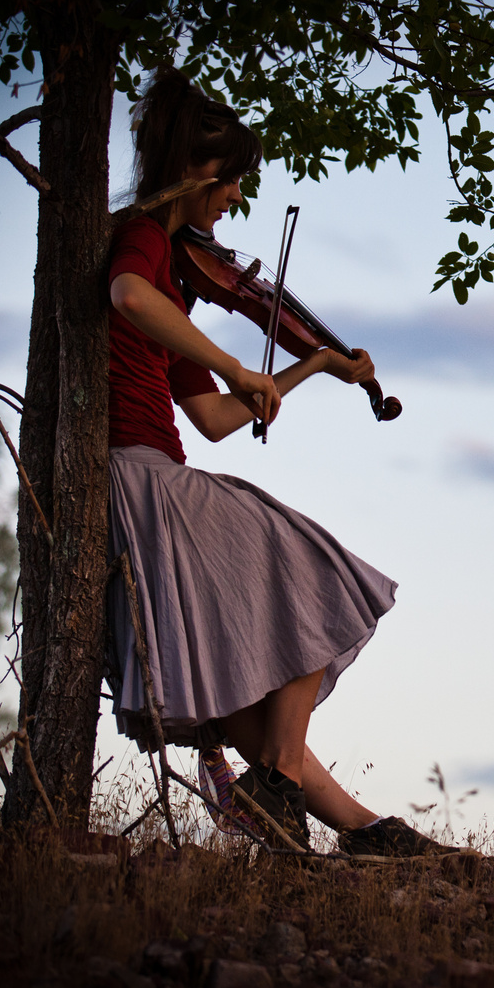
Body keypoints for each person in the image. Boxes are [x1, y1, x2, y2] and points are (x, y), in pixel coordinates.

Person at [105, 66, 447, 860]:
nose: (233, 204)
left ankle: (357, 829)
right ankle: (281, 781)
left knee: (252, 712)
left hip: (160, 473)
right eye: (230, 186)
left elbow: (220, 420)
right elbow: (127, 296)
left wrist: (310, 368)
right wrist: (239, 363)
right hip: (141, 477)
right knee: (318, 573)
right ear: (198, 173)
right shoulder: (143, 241)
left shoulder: (176, 293)